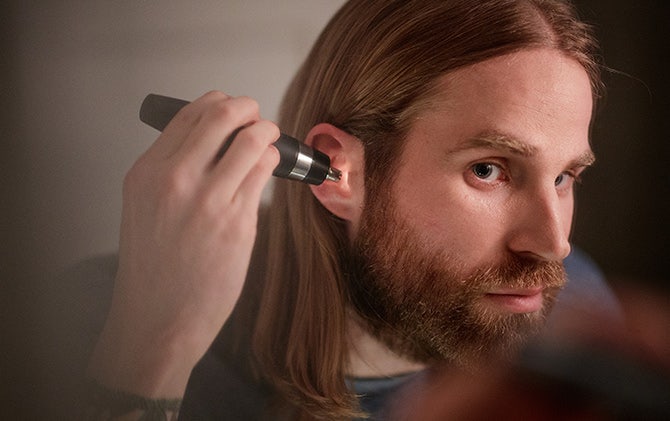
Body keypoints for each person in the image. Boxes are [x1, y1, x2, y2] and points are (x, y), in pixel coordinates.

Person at [84, 0, 617, 419]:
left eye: (565, 176)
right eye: (488, 169)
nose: (554, 245)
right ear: (341, 173)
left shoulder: (581, 308)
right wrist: (151, 355)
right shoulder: (99, 324)